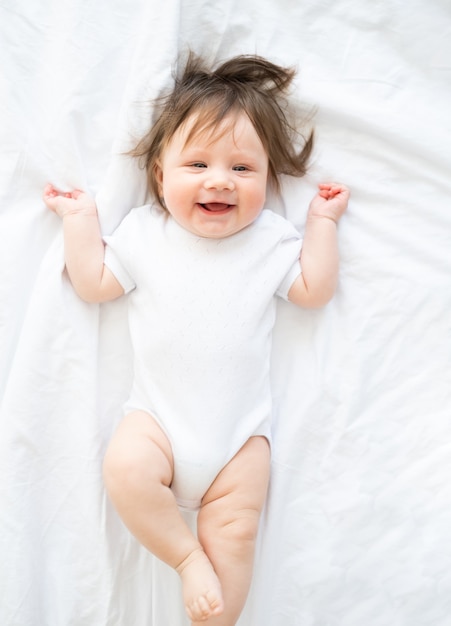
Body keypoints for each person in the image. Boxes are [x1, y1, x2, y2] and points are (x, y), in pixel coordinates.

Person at [43, 52, 349, 625]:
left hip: (239, 442)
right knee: (125, 471)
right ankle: (186, 559)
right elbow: (94, 284)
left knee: (235, 535)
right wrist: (80, 221)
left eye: (242, 169)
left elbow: (313, 291)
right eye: (197, 164)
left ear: (267, 180)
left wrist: (321, 227)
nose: (219, 181)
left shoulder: (271, 241)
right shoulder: (144, 235)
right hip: (156, 420)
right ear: (160, 176)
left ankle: (215, 619)